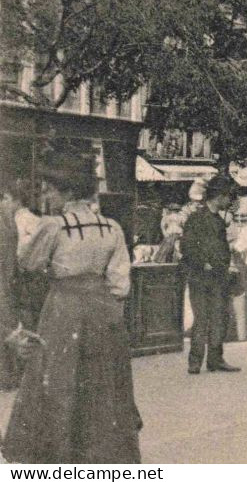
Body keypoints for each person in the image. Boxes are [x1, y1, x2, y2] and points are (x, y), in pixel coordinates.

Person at [1, 162, 142, 463]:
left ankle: (58, 450)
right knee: (102, 378)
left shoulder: (53, 226)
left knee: (58, 374)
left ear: (66, 193)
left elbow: (29, 263)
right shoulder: (111, 226)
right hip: (103, 307)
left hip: (64, 305)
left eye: (50, 191)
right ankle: (101, 450)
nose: (47, 198)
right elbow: (119, 279)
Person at [180, 174, 239, 374]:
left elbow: (221, 249)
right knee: (202, 318)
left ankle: (215, 359)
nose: (230, 201)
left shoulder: (218, 220)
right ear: (220, 196)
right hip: (201, 277)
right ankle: (195, 361)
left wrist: (226, 266)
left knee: (219, 317)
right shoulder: (197, 218)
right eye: (228, 196)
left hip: (218, 276)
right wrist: (203, 263)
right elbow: (187, 246)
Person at [0, 180, 22, 391]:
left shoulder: (9, 222)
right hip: (2, 281)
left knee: (5, 323)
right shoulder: (4, 222)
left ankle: (7, 375)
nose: (15, 206)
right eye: (12, 201)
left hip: (6, 280)